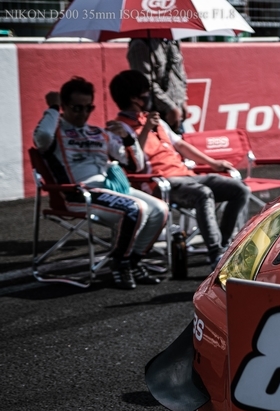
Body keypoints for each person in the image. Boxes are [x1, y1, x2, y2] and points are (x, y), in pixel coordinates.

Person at [33, 77, 168, 289]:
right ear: (64, 106)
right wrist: (52, 107)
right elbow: (41, 135)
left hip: (111, 190)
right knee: (135, 208)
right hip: (78, 193)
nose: (83, 113)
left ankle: (132, 262)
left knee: (160, 209)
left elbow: (136, 164)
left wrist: (127, 138)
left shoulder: (99, 133)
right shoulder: (54, 133)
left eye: (89, 108)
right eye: (77, 108)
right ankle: (120, 264)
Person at [110, 70, 250, 266]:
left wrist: (212, 163)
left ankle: (225, 245)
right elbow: (134, 162)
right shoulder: (120, 128)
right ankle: (215, 253)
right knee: (203, 193)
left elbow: (181, 145)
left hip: (186, 175)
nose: (150, 96)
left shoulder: (155, 120)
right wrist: (146, 129)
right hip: (159, 183)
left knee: (240, 189)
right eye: (146, 92)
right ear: (134, 98)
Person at [127, 38, 188, 134]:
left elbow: (180, 73)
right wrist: (170, 107)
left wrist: (183, 99)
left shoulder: (172, 40)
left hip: (177, 108)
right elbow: (145, 83)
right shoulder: (140, 44)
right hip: (157, 113)